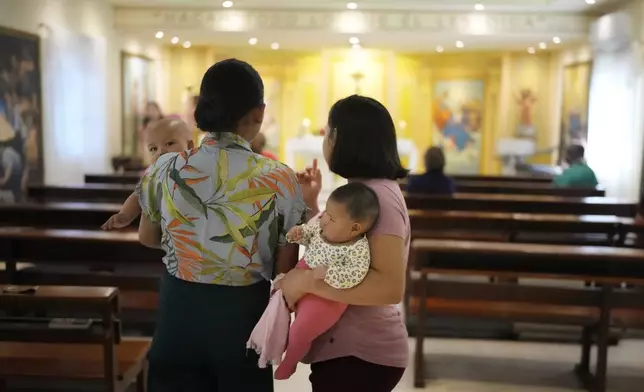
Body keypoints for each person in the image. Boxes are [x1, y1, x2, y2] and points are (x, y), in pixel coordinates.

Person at [137, 59, 306, 392]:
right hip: (241, 313)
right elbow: (283, 270)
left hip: (178, 309)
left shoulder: (165, 167)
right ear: (259, 112)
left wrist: (190, 247)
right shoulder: (279, 177)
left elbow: (147, 236)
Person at [275, 95, 410, 392]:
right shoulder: (363, 190)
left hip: (362, 353)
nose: (325, 141)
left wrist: (308, 283)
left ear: (340, 138)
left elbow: (390, 287)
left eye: (327, 132)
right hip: (349, 350)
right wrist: (311, 205)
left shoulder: (380, 198)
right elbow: (332, 250)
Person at [249, 182, 379, 380]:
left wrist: (327, 274)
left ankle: (290, 361)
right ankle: (276, 341)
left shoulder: (358, 249)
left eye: (331, 218)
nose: (324, 220)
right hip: (306, 274)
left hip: (328, 295)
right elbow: (310, 234)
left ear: (354, 229)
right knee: (277, 304)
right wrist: (299, 234)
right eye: (325, 212)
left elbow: (355, 274)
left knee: (301, 330)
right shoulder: (323, 227)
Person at [101, 118, 194, 230]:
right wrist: (125, 215)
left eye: (169, 143)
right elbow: (137, 196)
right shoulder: (153, 176)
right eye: (153, 148)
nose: (160, 152)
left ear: (190, 146)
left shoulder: (199, 169)